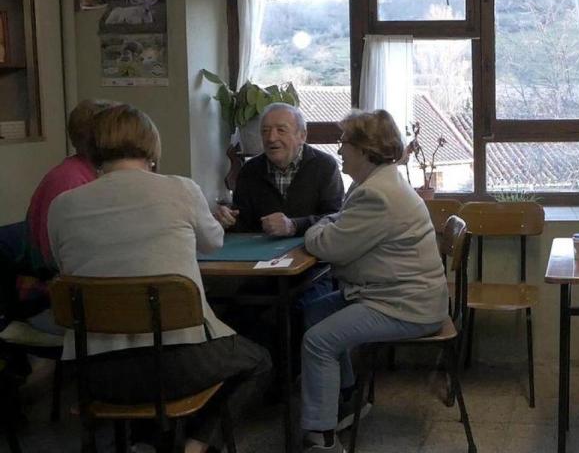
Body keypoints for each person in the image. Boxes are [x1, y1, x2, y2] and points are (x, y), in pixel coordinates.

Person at [48, 104, 271, 453]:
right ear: (151, 146)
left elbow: (62, 266)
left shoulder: (62, 205)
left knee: (145, 359)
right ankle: (195, 444)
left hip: (94, 373)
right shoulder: (181, 190)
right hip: (176, 365)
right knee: (259, 360)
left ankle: (146, 441)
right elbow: (213, 241)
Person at [300, 109, 448, 453]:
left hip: (406, 306)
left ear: (365, 148)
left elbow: (330, 245)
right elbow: (339, 223)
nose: (339, 151)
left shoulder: (377, 194)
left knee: (317, 341)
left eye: (343, 143)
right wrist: (327, 226)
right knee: (314, 313)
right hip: (392, 295)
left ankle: (322, 440)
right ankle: (348, 399)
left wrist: (315, 229)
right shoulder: (378, 182)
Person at [16, 99, 116, 333]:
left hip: (75, 295)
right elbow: (60, 258)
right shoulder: (70, 181)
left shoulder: (89, 172)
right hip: (50, 304)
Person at [214, 103, 344, 237]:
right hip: (263, 252)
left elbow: (336, 218)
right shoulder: (250, 170)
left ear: (302, 136)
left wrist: (294, 225)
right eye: (265, 131)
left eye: (281, 130)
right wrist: (227, 220)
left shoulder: (325, 166)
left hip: (311, 250)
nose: (271, 138)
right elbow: (244, 223)